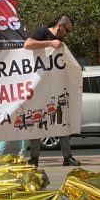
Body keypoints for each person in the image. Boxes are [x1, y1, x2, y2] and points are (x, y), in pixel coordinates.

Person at [23, 15, 81, 166]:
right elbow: (27, 44)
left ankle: (67, 157)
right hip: (38, 86)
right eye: (67, 30)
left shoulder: (61, 41)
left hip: (54, 86)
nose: (67, 34)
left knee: (61, 120)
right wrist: (49, 43)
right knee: (37, 121)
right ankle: (34, 158)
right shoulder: (42, 32)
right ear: (60, 26)